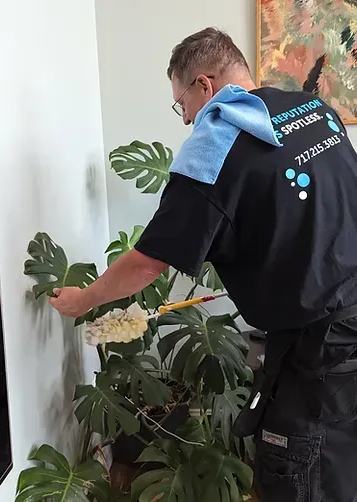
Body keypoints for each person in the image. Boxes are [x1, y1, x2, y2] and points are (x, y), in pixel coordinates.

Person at [50, 27, 357, 502]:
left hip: (320, 355)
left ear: (205, 86)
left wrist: (83, 298)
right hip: (346, 329)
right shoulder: (312, 109)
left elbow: (148, 263)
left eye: (182, 105)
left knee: (303, 476)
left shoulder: (216, 143)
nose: (187, 120)